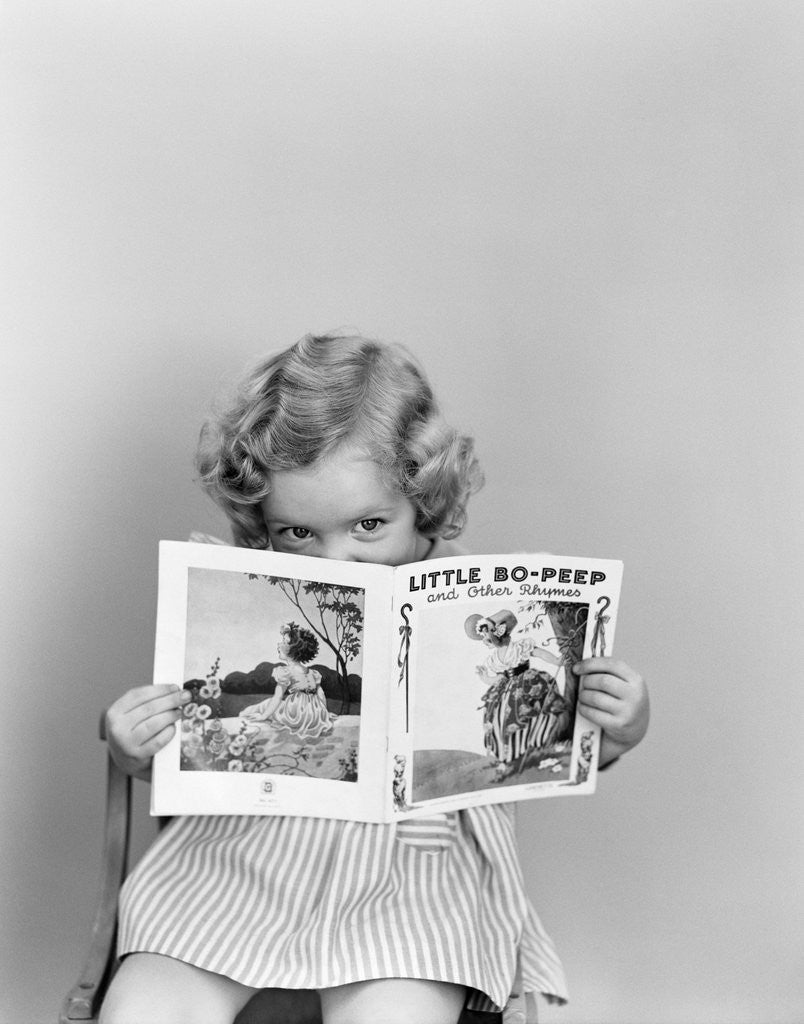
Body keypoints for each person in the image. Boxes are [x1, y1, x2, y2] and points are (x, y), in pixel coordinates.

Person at [100, 333, 650, 1024]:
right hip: (244, 858)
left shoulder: (478, 608)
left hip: (412, 878)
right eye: (297, 533)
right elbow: (194, 749)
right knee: (146, 1007)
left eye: (368, 524)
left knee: (396, 1010)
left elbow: (548, 744)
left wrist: (619, 725)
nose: (340, 558)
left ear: (423, 496)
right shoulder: (247, 585)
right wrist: (134, 744)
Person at [239, 622, 336, 740]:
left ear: (294, 650)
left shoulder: (286, 671)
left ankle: (244, 715)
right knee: (275, 704)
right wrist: (324, 713)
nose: (279, 644)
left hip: (296, 714)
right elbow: (321, 694)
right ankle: (246, 713)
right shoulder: (312, 673)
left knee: (267, 704)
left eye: (284, 642)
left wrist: (264, 716)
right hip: (314, 714)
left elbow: (277, 697)